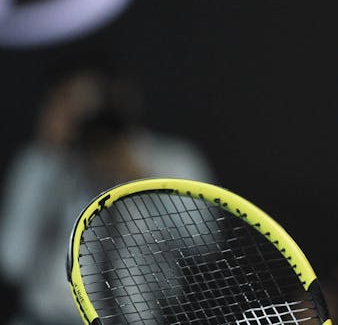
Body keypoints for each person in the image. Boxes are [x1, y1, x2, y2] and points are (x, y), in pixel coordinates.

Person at [0, 62, 213, 325]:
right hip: (48, 319)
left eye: (96, 101)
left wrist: (142, 179)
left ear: (124, 98)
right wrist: (50, 163)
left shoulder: (173, 161)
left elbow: (202, 243)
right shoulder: (41, 164)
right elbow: (13, 260)